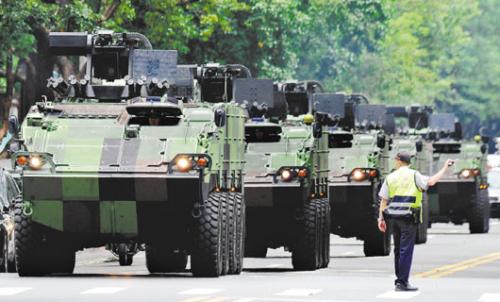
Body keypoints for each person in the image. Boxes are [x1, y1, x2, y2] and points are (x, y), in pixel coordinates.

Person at [378, 152, 453, 292]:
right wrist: (444, 168)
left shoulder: (391, 176)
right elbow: (431, 182)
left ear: (399, 161)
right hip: (409, 218)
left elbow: (384, 200)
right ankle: (402, 282)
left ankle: (399, 281)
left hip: (394, 217)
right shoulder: (414, 175)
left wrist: (381, 219)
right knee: (405, 250)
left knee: (398, 250)